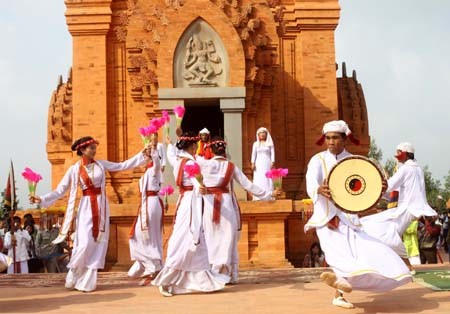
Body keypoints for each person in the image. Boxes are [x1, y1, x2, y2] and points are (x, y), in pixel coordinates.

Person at [305, 120, 412, 309]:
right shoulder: (318, 160)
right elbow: (311, 181)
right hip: (326, 216)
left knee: (364, 252)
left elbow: (368, 188)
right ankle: (341, 285)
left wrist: (382, 187)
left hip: (349, 219)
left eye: (335, 138)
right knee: (335, 252)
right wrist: (318, 189)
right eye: (328, 138)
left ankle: (340, 291)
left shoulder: (354, 161)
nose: (331, 142)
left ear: (344, 139)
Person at [30, 136, 150, 292]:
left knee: (97, 243)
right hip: (86, 207)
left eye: (95, 147)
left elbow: (122, 166)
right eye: (91, 148)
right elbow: (60, 190)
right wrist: (41, 198)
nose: (94, 150)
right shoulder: (74, 170)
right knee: (84, 242)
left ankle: (88, 281)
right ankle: (73, 273)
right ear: (82, 150)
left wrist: (143, 155)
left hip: (101, 207)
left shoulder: (101, 165)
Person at [152, 131, 229, 296]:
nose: (197, 148)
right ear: (192, 146)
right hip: (190, 203)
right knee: (187, 238)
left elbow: (172, 155)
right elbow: (194, 179)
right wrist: (200, 186)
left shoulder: (178, 160)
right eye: (195, 145)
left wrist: (169, 144)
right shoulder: (190, 162)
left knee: (196, 240)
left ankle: (200, 281)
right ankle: (167, 279)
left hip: (186, 200)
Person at [198, 137, 274, 283]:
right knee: (227, 239)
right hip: (226, 203)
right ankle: (225, 273)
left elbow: (187, 166)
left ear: (211, 151)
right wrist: (268, 195)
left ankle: (213, 271)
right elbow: (248, 185)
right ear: (224, 151)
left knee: (211, 237)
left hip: (209, 203)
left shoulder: (204, 165)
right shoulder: (231, 167)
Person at [361, 142, 437, 272]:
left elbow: (389, 186)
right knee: (372, 224)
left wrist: (373, 184)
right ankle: (397, 264)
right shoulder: (418, 169)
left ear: (406, 153)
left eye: (398, 152)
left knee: (389, 234)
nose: (396, 155)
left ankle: (406, 264)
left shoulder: (406, 169)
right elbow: (398, 192)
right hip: (409, 208)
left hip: (407, 208)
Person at [128, 143, 164, 285]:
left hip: (152, 204)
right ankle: (149, 265)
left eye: (148, 153)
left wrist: (154, 149)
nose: (146, 155)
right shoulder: (147, 171)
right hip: (147, 204)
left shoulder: (155, 169)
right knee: (140, 235)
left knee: (143, 235)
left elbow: (156, 162)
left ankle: (152, 267)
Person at [251, 127, 275, 200]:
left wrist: (273, 161)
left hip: (267, 162)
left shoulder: (269, 144)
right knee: (259, 177)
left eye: (264, 133)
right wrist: (252, 163)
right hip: (258, 163)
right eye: (261, 133)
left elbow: (272, 153)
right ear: (258, 135)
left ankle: (269, 194)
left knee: (267, 177)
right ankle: (258, 196)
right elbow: (253, 154)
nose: (262, 135)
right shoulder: (255, 144)